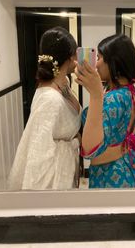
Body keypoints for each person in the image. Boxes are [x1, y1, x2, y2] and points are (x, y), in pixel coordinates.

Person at [8, 26, 81, 190]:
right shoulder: (50, 99)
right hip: (54, 181)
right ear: (70, 58)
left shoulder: (63, 83)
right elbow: (39, 153)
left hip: (69, 166)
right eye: (76, 53)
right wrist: (75, 142)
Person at [75, 34, 135, 188]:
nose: (96, 63)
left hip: (109, 174)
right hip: (129, 164)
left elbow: (89, 150)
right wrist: (121, 144)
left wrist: (96, 96)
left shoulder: (113, 98)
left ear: (114, 62)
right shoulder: (133, 92)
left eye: (100, 57)